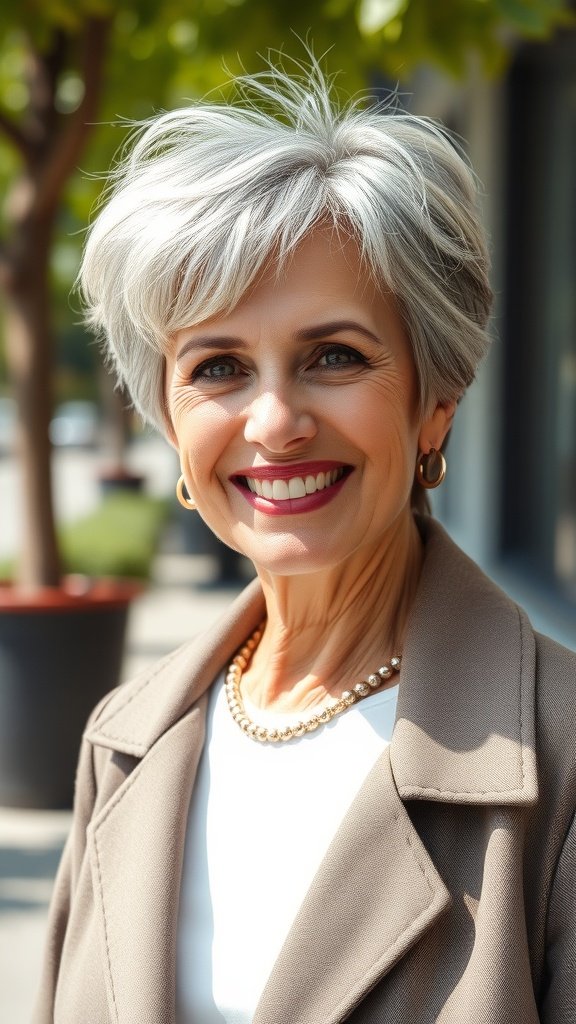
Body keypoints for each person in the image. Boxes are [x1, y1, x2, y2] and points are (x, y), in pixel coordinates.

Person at [34, 59, 576, 1024]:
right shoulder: (123, 741)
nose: (274, 420)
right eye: (219, 366)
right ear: (168, 417)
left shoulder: (562, 767)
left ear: (434, 405)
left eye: (335, 356)